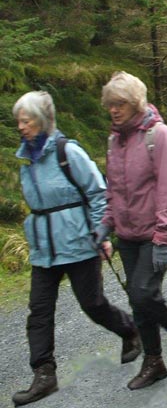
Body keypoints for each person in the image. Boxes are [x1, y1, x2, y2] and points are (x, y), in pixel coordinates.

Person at [12, 91, 141, 406]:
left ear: (42, 121)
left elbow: (98, 193)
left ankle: (130, 330)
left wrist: (101, 234)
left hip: (79, 243)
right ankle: (44, 375)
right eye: (18, 121)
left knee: (93, 304)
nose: (21, 127)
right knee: (39, 312)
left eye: (26, 120)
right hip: (44, 249)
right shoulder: (26, 158)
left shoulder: (68, 152)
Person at [96, 71, 167, 390]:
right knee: (138, 302)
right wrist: (104, 227)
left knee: (143, 291)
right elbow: (114, 191)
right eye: (110, 104)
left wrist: (165, 235)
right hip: (128, 234)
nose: (114, 109)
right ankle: (153, 363)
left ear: (136, 102)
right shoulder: (115, 140)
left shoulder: (159, 134)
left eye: (121, 103)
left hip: (157, 231)